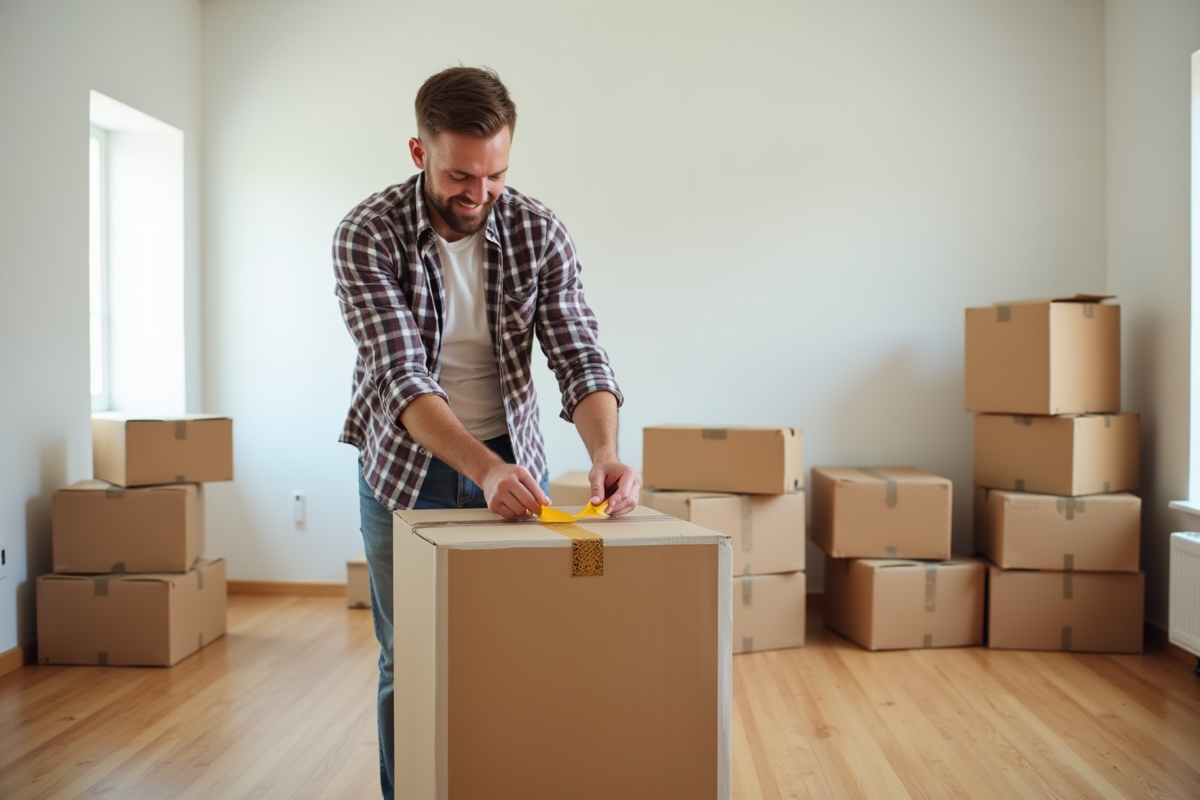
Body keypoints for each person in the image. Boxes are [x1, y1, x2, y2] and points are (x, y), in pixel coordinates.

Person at [331, 66, 640, 800]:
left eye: (495, 174)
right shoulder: (365, 235)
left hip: (512, 467)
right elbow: (402, 377)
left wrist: (606, 454)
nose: (478, 194)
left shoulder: (537, 228)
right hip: (406, 474)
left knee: (512, 652)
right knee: (410, 659)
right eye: (460, 176)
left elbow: (579, 351)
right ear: (418, 153)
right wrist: (481, 471)